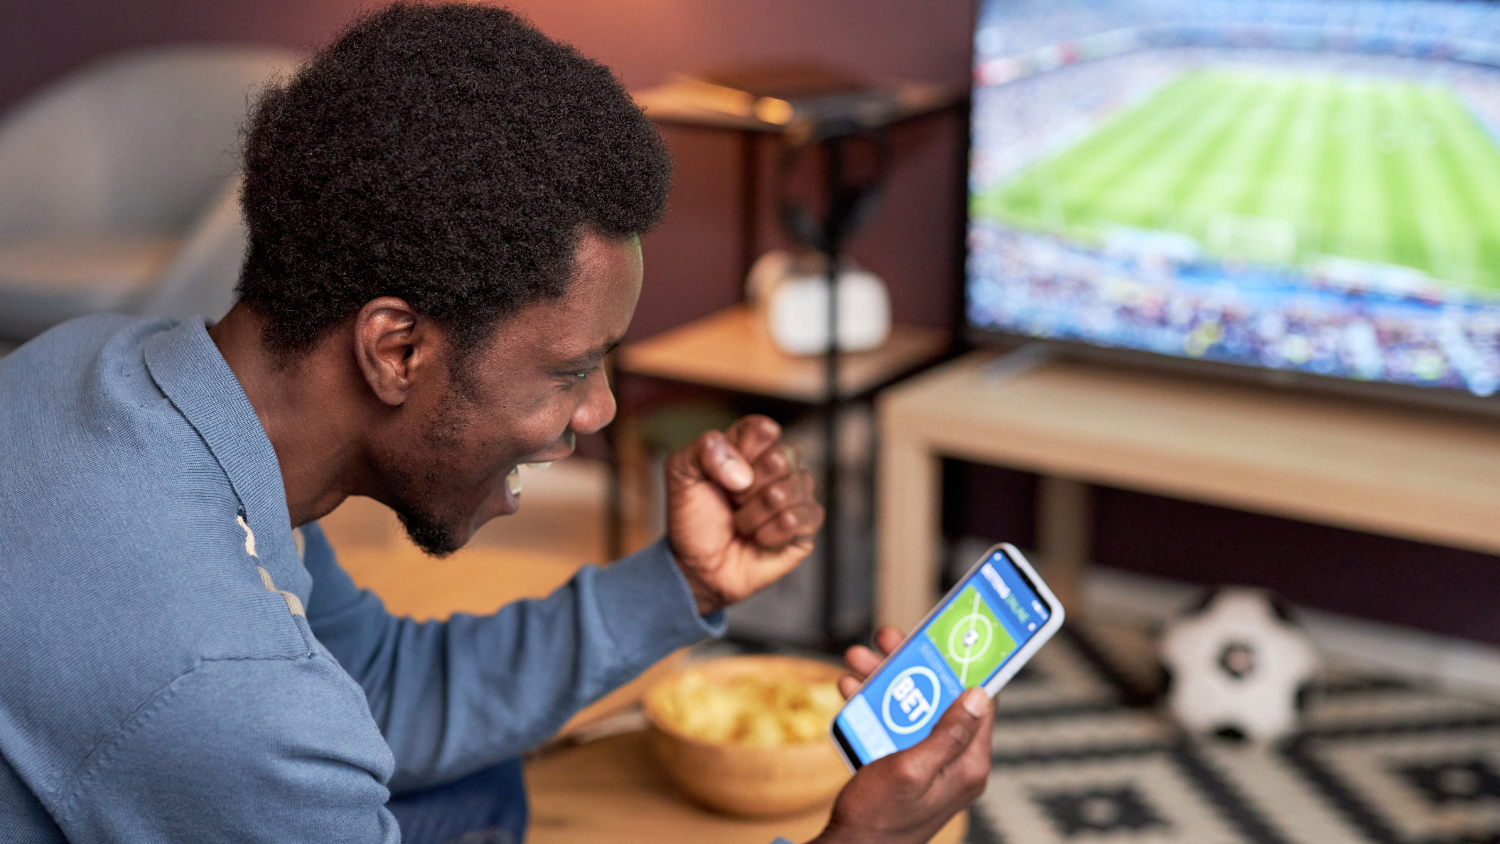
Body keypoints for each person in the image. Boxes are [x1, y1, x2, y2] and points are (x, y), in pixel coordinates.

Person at [0, 4, 993, 843]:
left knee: (480, 792)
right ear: (397, 351)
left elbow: (378, 688)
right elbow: (279, 716)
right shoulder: (235, 691)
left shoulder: (106, 367)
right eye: (569, 370)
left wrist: (680, 581)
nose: (599, 412)